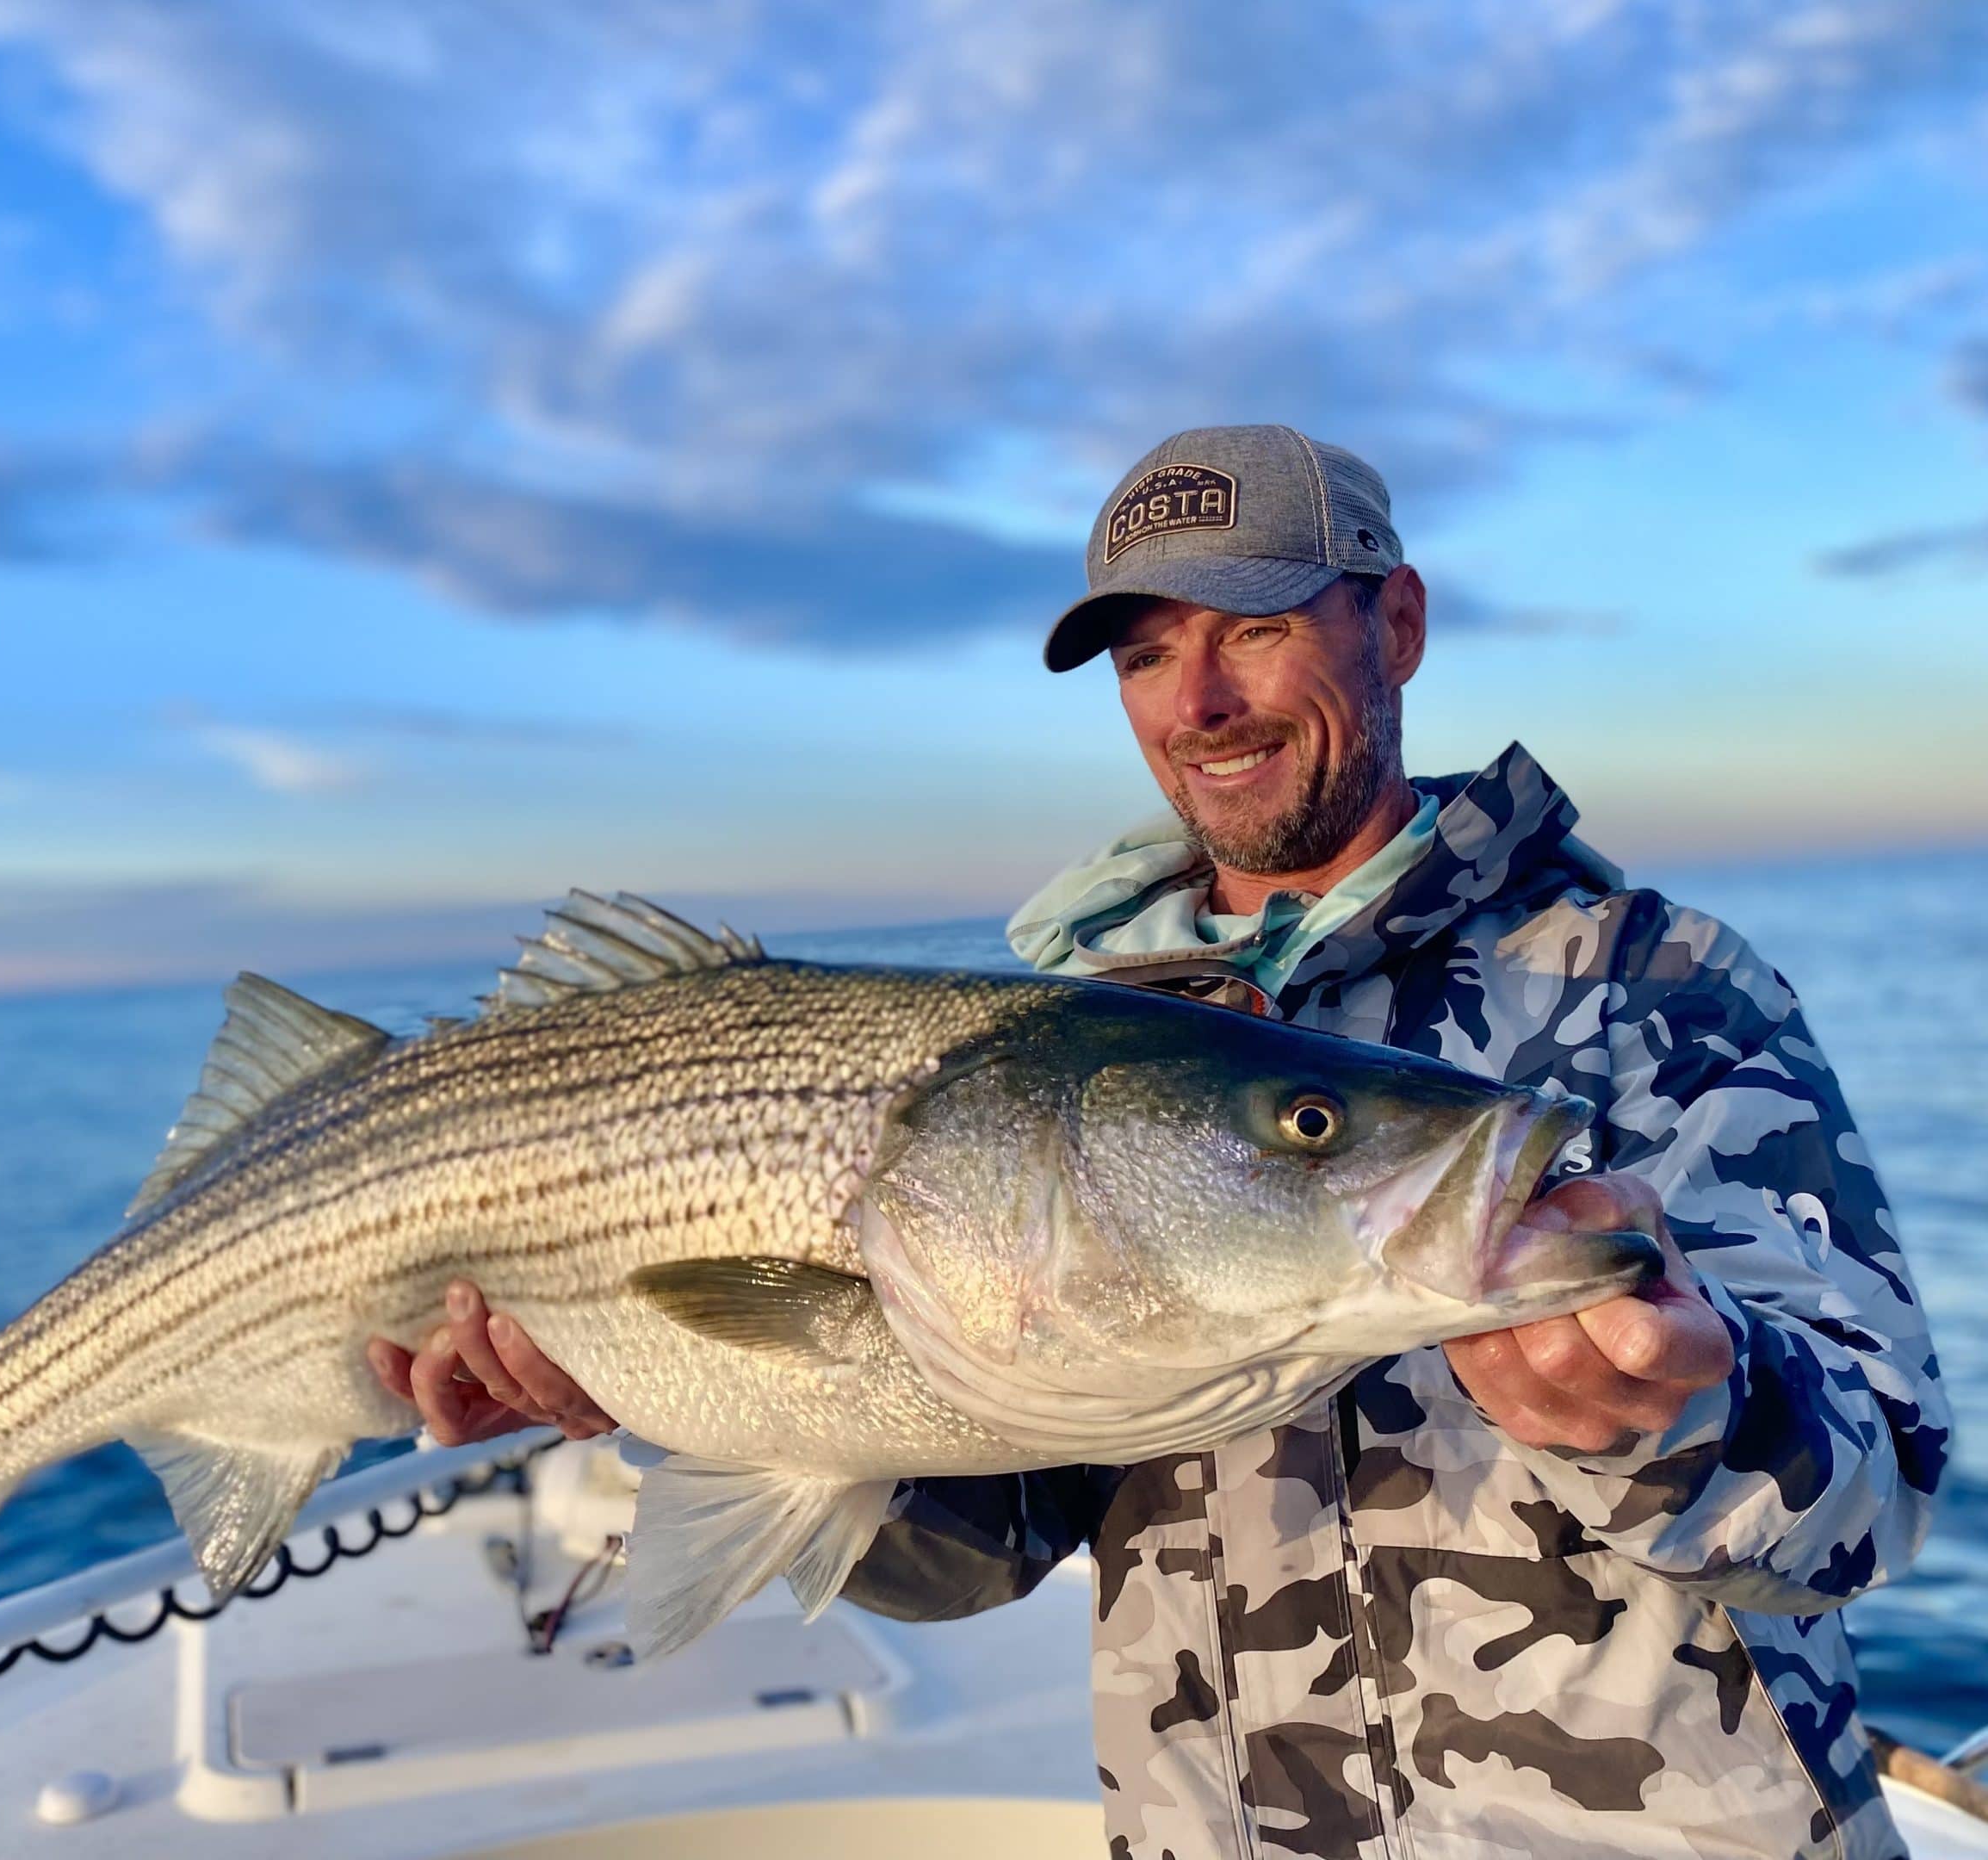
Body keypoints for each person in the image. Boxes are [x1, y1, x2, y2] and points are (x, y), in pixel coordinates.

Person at [369, 425, 1948, 1860]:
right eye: (1145, 654)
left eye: (1255, 629)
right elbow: (982, 1547)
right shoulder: (1053, 1044)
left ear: (1392, 624)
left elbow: (1882, 1489)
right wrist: (674, 1399)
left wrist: (1682, 1410)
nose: (1197, 706)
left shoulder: (1646, 984)